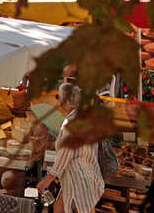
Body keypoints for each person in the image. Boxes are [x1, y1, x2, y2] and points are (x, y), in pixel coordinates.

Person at [36, 83, 102, 213]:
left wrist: (48, 179)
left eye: (59, 96)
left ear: (66, 101)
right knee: (59, 209)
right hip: (82, 176)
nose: (58, 100)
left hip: (80, 179)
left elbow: (65, 154)